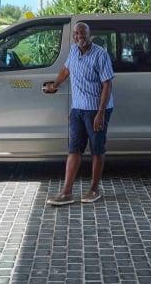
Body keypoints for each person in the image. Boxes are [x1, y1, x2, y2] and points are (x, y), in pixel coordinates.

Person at [46, 22, 114, 206]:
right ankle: (66, 192)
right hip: (78, 109)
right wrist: (55, 84)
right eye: (76, 33)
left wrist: (100, 113)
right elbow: (66, 70)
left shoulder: (101, 54)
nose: (79, 36)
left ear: (89, 34)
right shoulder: (74, 51)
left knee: (97, 149)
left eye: (82, 33)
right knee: (74, 149)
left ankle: (94, 189)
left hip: (96, 109)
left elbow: (107, 84)